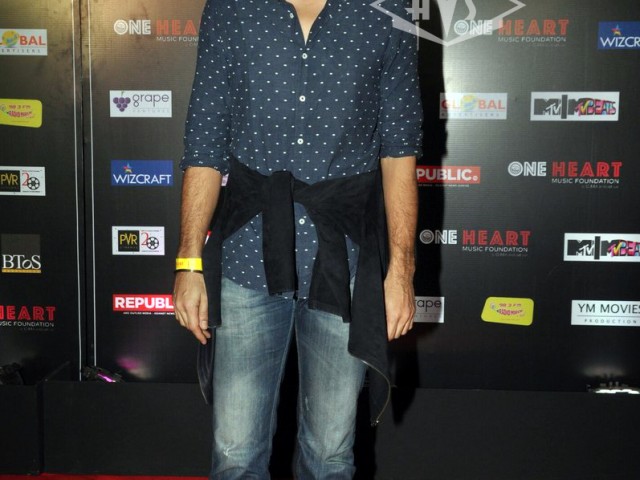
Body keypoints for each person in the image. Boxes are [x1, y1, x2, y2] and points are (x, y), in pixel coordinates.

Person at [172, 0, 423, 477]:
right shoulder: (231, 8)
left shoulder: (388, 10)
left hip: (344, 262)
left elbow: (399, 152)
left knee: (330, 457)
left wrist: (401, 273)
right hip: (247, 255)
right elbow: (204, 146)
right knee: (235, 454)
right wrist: (188, 263)